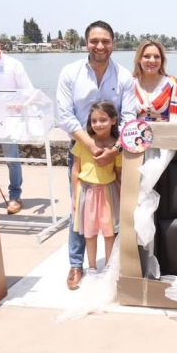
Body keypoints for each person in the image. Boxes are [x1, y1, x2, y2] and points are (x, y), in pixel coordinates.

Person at [55, 21, 136, 290]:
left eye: (105, 41)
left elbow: (129, 116)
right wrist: (91, 146)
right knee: (78, 209)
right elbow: (64, 115)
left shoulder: (124, 76)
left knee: (115, 211)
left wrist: (114, 150)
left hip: (115, 152)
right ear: (86, 43)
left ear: (113, 43)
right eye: (94, 41)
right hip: (81, 149)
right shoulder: (70, 73)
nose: (100, 46)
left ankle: (114, 265)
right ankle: (76, 264)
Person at [0, 30, 34, 214]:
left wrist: (21, 103)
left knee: (12, 160)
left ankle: (15, 196)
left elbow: (28, 91)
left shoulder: (13, 65)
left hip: (9, 121)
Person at [70, 101, 122, 284]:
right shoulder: (83, 142)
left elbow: (118, 173)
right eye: (94, 121)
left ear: (113, 120)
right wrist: (74, 195)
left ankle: (108, 266)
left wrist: (123, 195)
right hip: (87, 192)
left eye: (103, 120)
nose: (98, 124)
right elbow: (75, 169)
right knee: (89, 233)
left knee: (109, 233)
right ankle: (91, 268)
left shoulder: (116, 147)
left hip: (108, 192)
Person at [129, 40, 177, 122]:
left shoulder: (175, 85)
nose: (152, 60)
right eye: (147, 56)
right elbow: (125, 117)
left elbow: (176, 122)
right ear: (139, 59)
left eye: (157, 57)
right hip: (134, 129)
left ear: (162, 60)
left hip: (166, 130)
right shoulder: (130, 83)